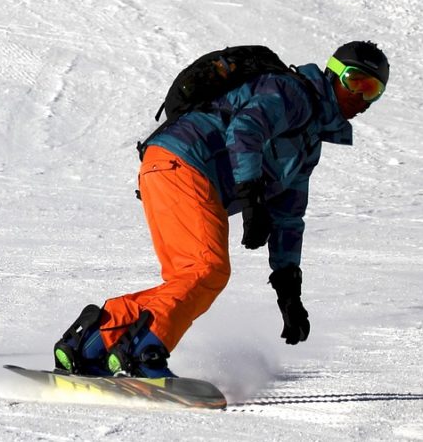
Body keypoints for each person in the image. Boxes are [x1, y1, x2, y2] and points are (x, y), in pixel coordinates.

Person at [52, 41, 390, 378]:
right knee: (207, 271)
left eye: (373, 91)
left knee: (190, 280)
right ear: (333, 74)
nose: (362, 98)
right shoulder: (293, 93)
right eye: (356, 82)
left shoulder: (308, 142)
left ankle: (91, 344)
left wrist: (289, 293)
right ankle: (142, 353)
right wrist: (251, 195)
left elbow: (289, 216)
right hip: (184, 162)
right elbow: (246, 129)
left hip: (168, 167)